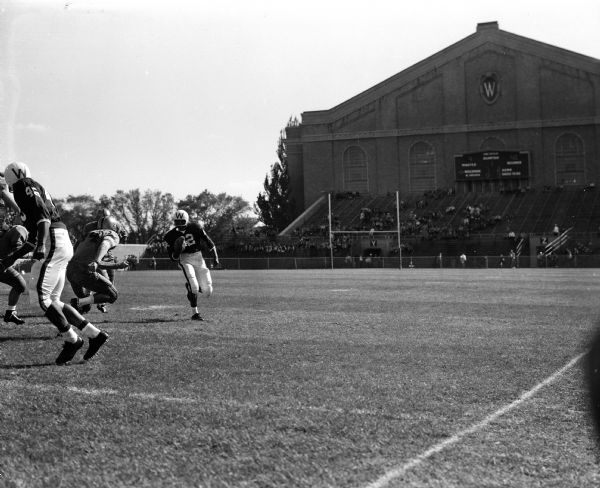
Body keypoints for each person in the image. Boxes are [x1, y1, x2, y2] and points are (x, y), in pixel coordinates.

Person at [0, 161, 109, 365]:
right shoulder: (31, 188)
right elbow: (36, 227)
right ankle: (94, 334)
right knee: (54, 300)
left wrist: (41, 244)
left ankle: (72, 339)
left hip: (52, 240)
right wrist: (12, 258)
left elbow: (42, 219)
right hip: (60, 239)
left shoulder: (24, 186)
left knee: (40, 297)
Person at [67, 215, 132, 313]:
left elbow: (80, 253)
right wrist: (97, 261)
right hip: (83, 272)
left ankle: (75, 308)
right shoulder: (112, 234)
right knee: (113, 295)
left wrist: (117, 265)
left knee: (85, 306)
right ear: (113, 226)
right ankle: (78, 302)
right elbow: (105, 244)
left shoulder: (89, 234)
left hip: (71, 272)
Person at [163, 209, 219, 321]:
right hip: (185, 259)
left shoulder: (195, 227)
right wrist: (177, 251)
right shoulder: (170, 235)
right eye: (177, 222)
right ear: (174, 222)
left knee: (208, 291)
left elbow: (209, 242)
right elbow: (173, 258)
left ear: (187, 220)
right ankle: (195, 313)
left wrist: (215, 256)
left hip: (198, 257)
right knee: (194, 287)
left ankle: (190, 287)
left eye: (182, 221)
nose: (180, 224)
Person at [77, 209, 116, 313]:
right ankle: (84, 302)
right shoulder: (90, 227)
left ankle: (101, 303)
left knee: (110, 279)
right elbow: (85, 242)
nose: (105, 222)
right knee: (93, 281)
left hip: (106, 255)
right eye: (103, 219)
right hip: (94, 257)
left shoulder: (112, 225)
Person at [0, 223, 29, 325]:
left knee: (19, 284)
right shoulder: (19, 229)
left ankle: (10, 312)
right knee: (19, 284)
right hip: (2, 263)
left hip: (3, 263)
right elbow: (17, 249)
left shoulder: (13, 229)